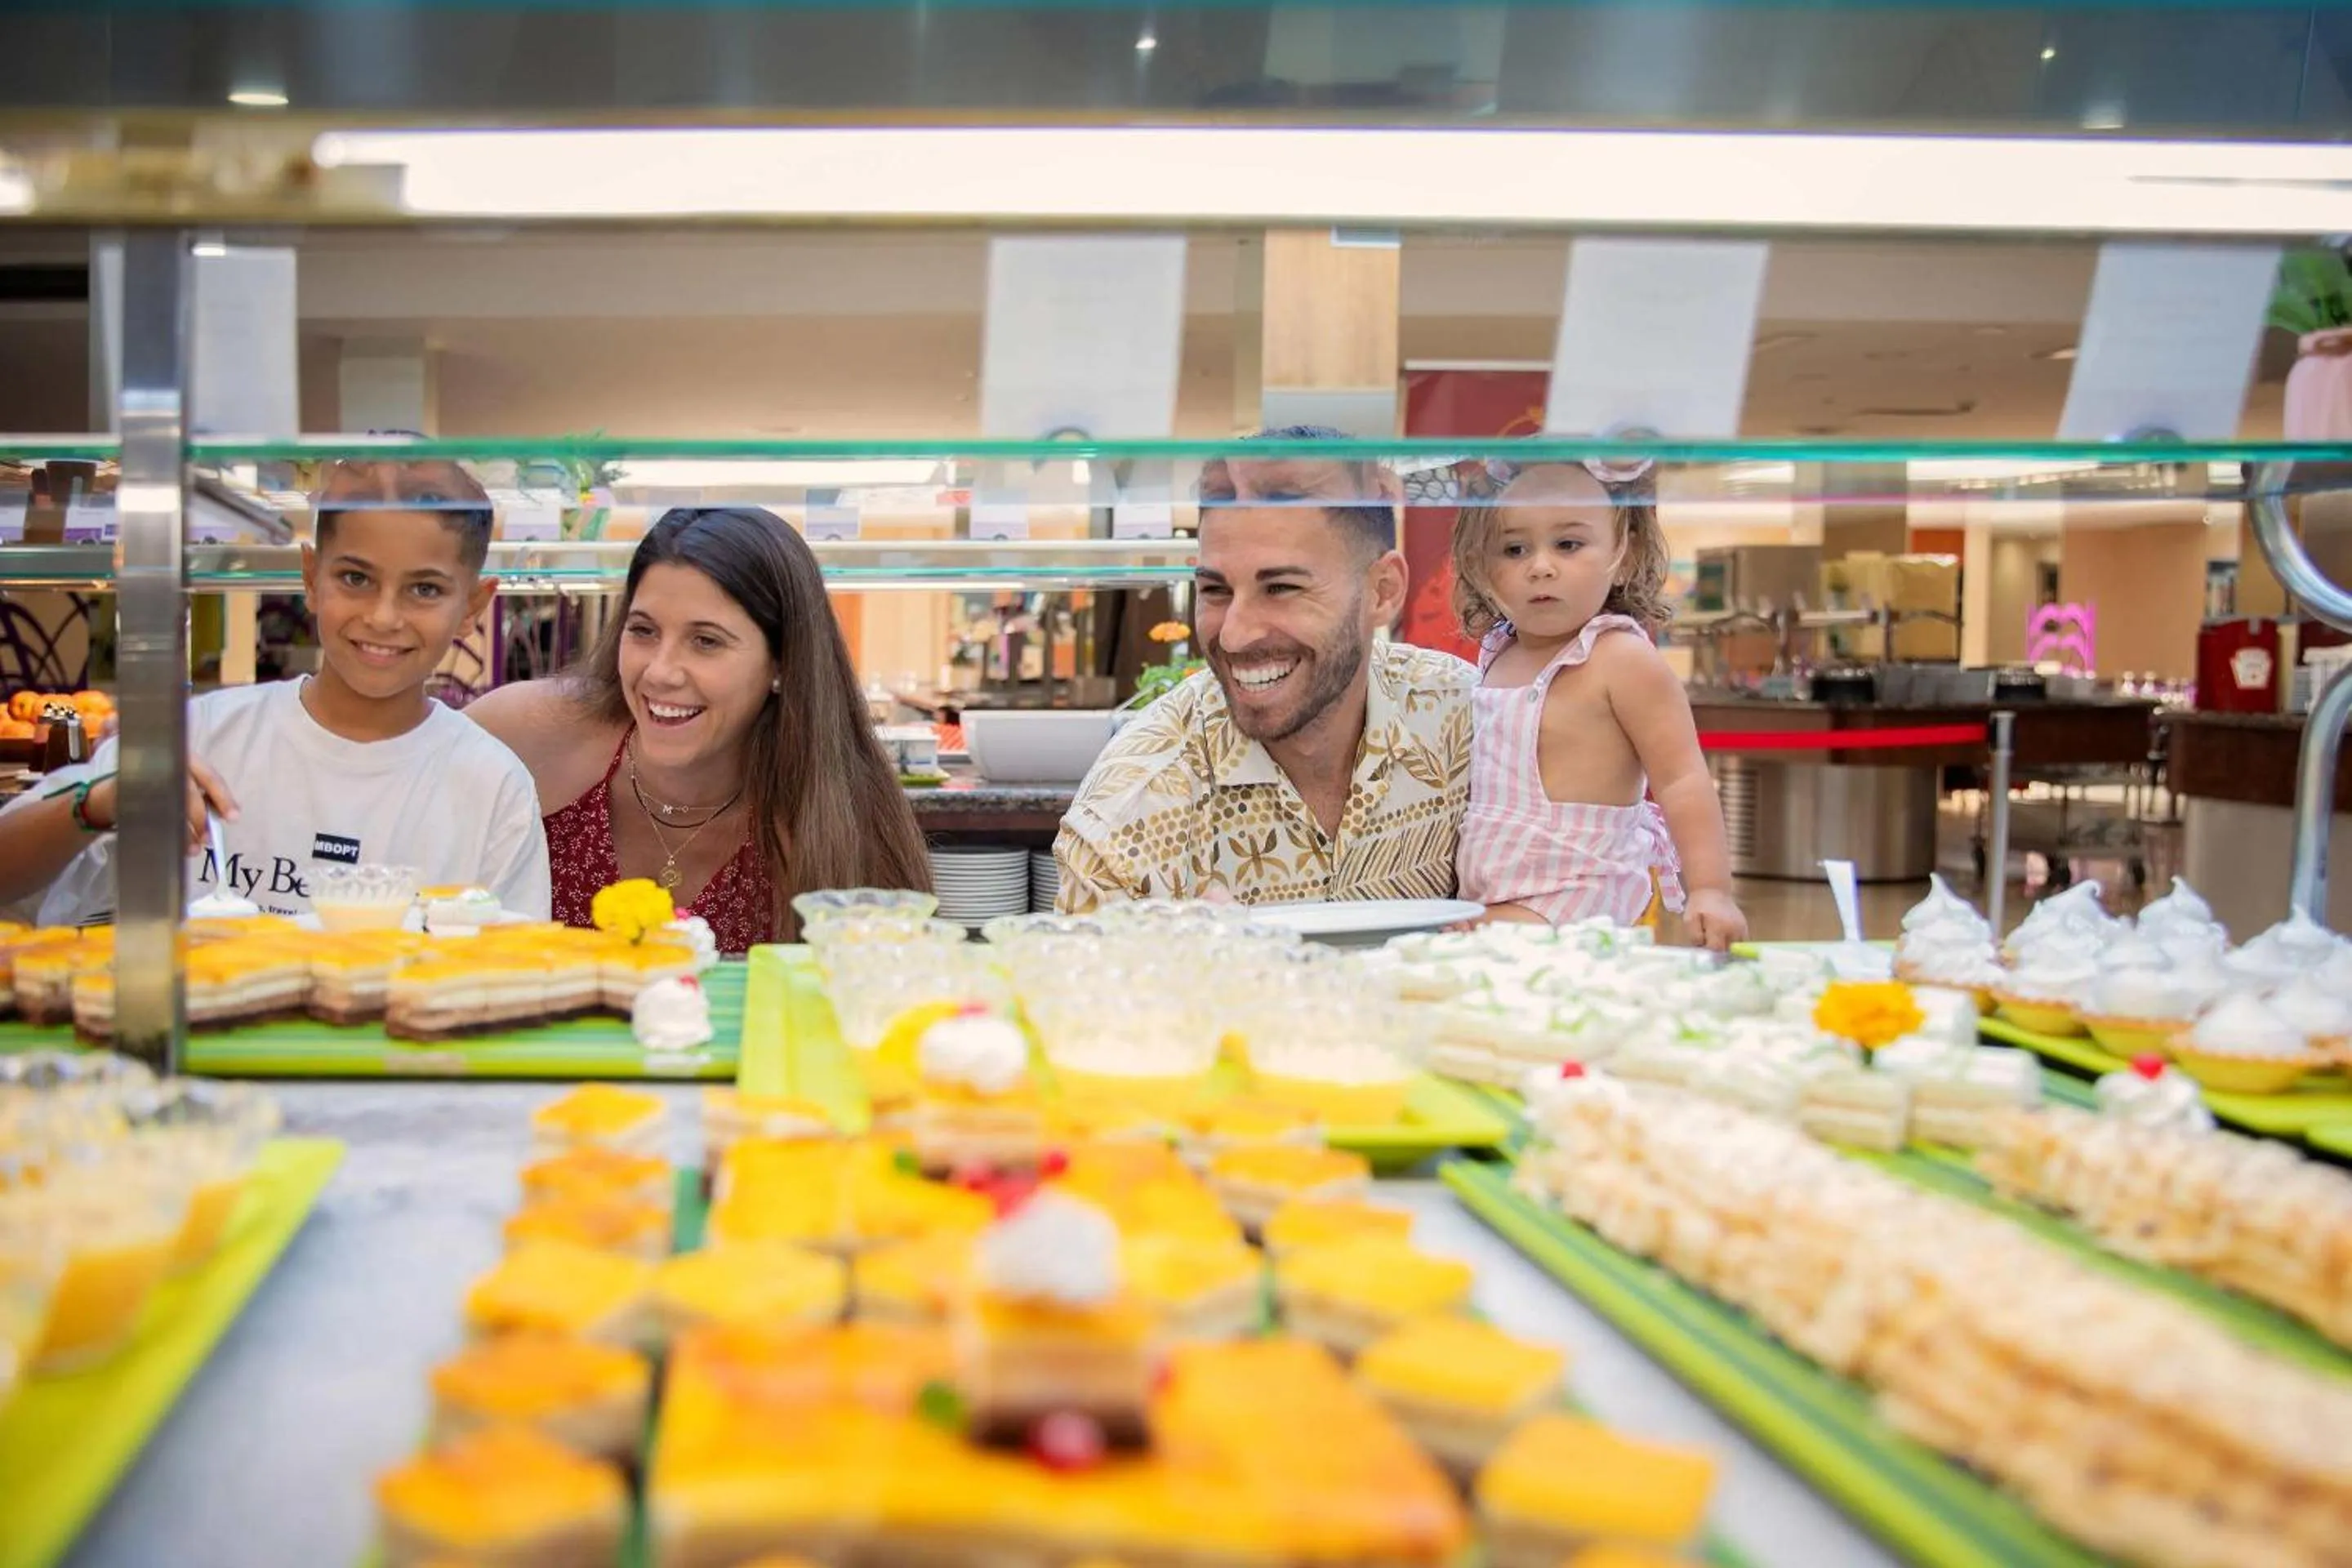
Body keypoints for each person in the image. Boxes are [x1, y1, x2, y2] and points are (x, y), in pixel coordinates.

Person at [0, 460, 550, 924]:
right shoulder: (201, 735)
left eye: (424, 589)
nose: (383, 617)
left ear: (474, 607)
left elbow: (510, 982)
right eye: (355, 579)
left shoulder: (493, 789)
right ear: (311, 577)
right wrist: (96, 806)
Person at [466, 506, 931, 951]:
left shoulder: (837, 818)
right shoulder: (522, 733)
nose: (660, 672)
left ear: (783, 663)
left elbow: (883, 991)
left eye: (706, 641)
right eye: (643, 631)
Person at [1055, 428, 1476, 911]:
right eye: (1215, 591)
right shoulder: (1129, 813)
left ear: (1382, 591)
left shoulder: (1465, 724)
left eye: (1280, 588)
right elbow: (1085, 982)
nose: (1234, 635)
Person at [1450, 462, 1748, 949]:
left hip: (1579, 894)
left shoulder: (1619, 657)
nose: (1540, 566)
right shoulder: (1499, 653)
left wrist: (1711, 889)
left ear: (1624, 556)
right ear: (1482, 567)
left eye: (1568, 545)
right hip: (1490, 891)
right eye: (1514, 549)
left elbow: (1682, 779)